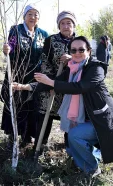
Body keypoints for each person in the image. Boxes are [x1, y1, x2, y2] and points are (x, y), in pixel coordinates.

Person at [13, 36, 113, 178]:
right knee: (72, 142)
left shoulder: (96, 68)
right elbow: (53, 81)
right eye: (74, 50)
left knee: (74, 136)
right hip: (87, 118)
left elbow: (81, 87)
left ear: (88, 51)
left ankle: (91, 168)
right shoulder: (72, 69)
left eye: (81, 49)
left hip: (101, 120)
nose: (77, 53)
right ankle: (86, 160)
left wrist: (52, 83)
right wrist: (24, 86)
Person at [0, 3, 49, 148]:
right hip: (17, 73)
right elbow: (11, 47)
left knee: (32, 105)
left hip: (34, 76)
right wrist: (6, 49)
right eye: (30, 14)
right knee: (15, 103)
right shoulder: (16, 30)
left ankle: (28, 136)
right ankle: (13, 135)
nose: (33, 17)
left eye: (36, 14)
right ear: (24, 17)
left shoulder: (43, 34)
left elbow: (45, 55)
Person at [34, 10, 76, 150]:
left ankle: (70, 147)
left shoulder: (79, 42)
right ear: (58, 26)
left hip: (71, 87)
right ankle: (40, 145)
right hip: (51, 85)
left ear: (73, 25)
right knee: (45, 115)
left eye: (68, 23)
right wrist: (50, 81)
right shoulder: (51, 40)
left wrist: (72, 58)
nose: (65, 26)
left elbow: (86, 61)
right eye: (62, 23)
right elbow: (45, 61)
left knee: (70, 117)